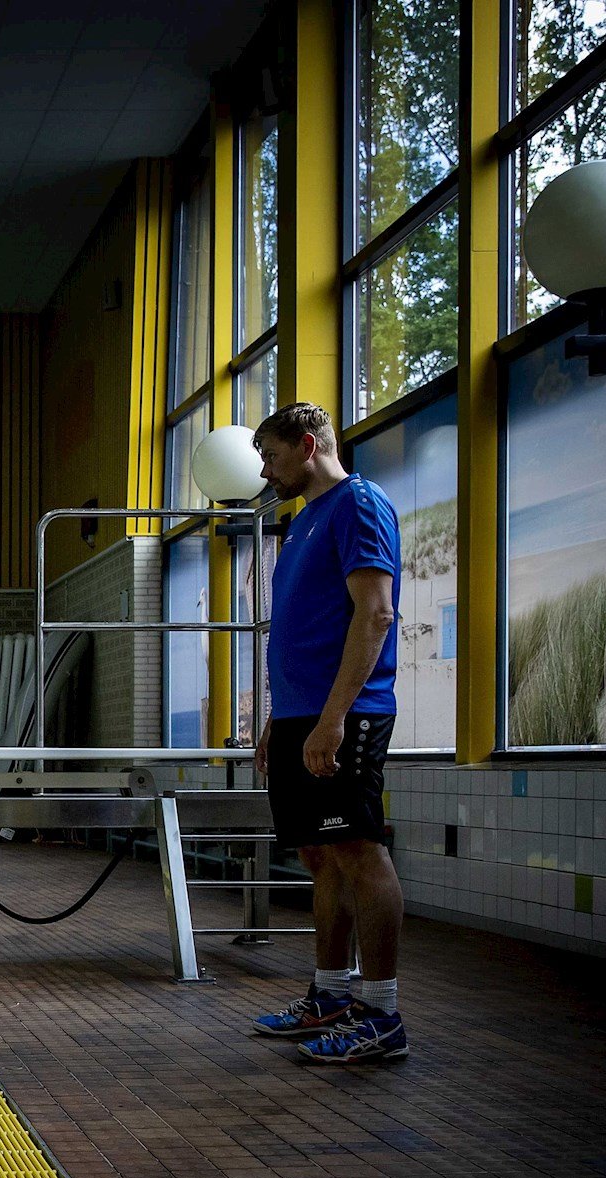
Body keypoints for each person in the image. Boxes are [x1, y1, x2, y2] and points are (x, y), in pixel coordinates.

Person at [244, 401, 409, 1064]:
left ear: (308, 445)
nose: (266, 471)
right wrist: (276, 724)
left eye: (273, 457)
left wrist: (334, 717)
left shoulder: (359, 505)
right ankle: (331, 993)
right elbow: (298, 633)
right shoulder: (306, 521)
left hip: (345, 713)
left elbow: (374, 615)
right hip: (299, 717)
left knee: (358, 852)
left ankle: (383, 1013)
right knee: (320, 854)